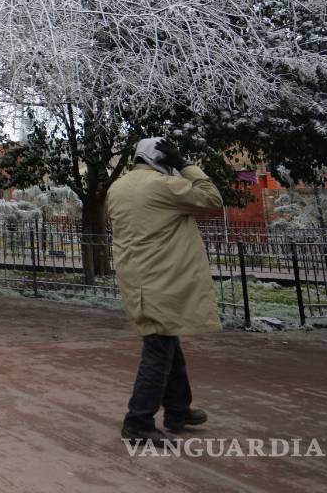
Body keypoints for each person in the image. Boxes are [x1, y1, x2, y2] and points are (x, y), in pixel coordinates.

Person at [106, 137, 223, 446]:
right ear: (161, 160)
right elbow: (212, 198)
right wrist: (184, 165)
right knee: (158, 349)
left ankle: (177, 410)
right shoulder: (163, 186)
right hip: (162, 279)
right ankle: (138, 421)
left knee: (168, 342)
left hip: (139, 278)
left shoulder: (117, 187)